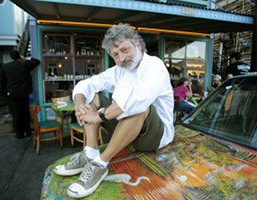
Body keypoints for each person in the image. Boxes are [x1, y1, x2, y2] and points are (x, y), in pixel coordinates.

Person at [54, 23, 175, 198]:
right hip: (128, 131)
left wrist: (99, 116)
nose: (121, 58)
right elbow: (88, 84)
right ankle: (90, 153)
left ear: (138, 45)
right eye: (115, 55)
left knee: (138, 107)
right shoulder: (120, 70)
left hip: (155, 137)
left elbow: (138, 100)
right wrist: (80, 104)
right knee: (91, 96)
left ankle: (100, 164)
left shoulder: (154, 65)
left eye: (125, 50)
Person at [0, 50, 40, 138]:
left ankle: (19, 133)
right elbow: (36, 61)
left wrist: (3, 93)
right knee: (25, 113)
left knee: (16, 114)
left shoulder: (5, 67)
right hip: (24, 93)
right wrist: (24, 59)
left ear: (10, 58)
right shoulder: (24, 65)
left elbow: (2, 82)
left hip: (13, 94)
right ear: (19, 57)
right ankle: (28, 131)